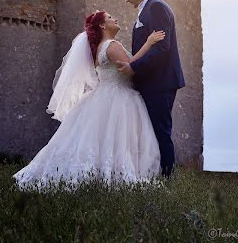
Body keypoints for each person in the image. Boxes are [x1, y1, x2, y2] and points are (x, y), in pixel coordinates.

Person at [11, 10, 165, 191]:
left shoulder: (100, 47)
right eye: (110, 18)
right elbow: (129, 69)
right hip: (119, 97)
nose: (115, 18)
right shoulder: (112, 45)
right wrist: (148, 43)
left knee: (100, 139)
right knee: (116, 139)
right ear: (102, 25)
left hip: (104, 96)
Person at [116, 0, 185, 178]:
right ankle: (153, 177)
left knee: (160, 132)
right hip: (151, 83)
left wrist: (133, 68)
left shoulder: (156, 7)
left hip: (160, 83)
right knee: (151, 132)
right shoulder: (146, 9)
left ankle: (166, 180)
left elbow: (162, 48)